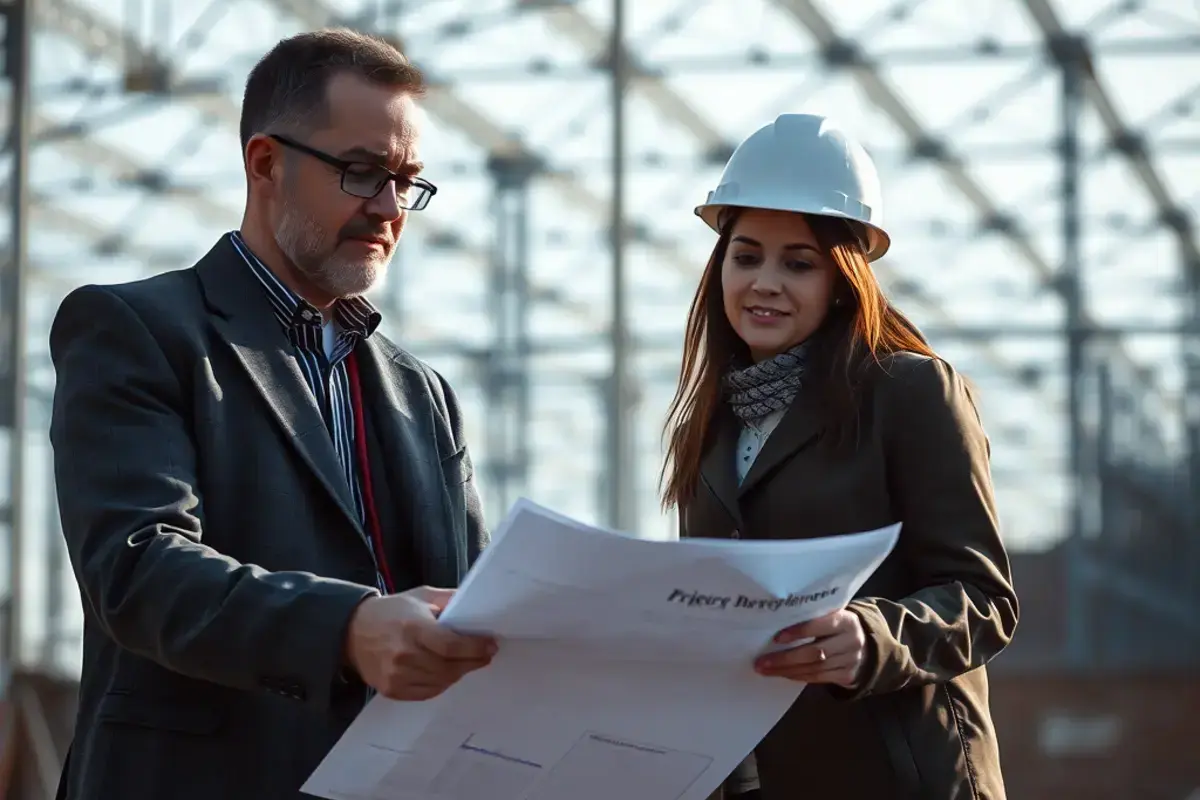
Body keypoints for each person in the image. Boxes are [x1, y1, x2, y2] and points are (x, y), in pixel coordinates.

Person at [48, 29, 497, 800]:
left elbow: (481, 600)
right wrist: (348, 629)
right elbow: (137, 567)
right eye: (363, 173)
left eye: (408, 181)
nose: (389, 209)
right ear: (265, 163)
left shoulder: (422, 394)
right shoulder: (138, 332)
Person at [661, 113, 1019, 800]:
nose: (765, 281)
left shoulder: (911, 392)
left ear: (843, 277)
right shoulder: (710, 427)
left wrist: (872, 635)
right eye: (746, 255)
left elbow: (984, 599)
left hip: (910, 780)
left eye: (798, 262)